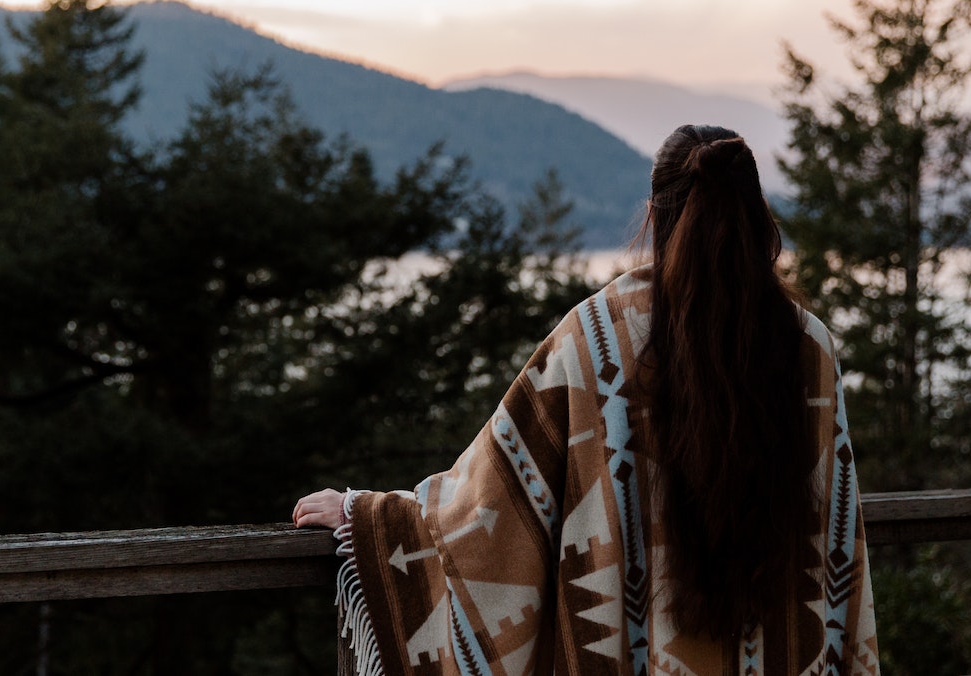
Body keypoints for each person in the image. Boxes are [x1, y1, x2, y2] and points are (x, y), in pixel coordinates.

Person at [294, 125, 879, 675]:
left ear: (654, 216)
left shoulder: (595, 339)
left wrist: (369, 517)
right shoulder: (810, 346)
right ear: (756, 217)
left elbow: (492, 499)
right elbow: (836, 530)